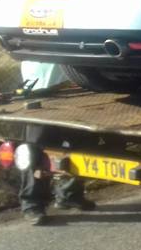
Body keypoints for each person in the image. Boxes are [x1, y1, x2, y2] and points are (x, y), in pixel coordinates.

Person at [16, 61, 96, 225]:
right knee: (35, 153)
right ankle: (32, 204)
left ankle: (70, 194)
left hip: (75, 96)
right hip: (43, 97)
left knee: (84, 147)